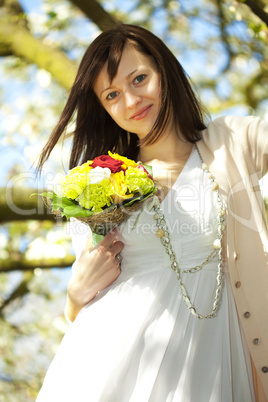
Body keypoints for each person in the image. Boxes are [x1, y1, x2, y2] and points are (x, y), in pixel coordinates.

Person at [36, 24, 268, 402]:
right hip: (110, 366)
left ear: (165, 70)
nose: (131, 101)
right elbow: (90, 286)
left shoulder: (232, 141)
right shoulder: (102, 182)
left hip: (211, 363)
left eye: (139, 78)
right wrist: (74, 298)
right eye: (112, 95)